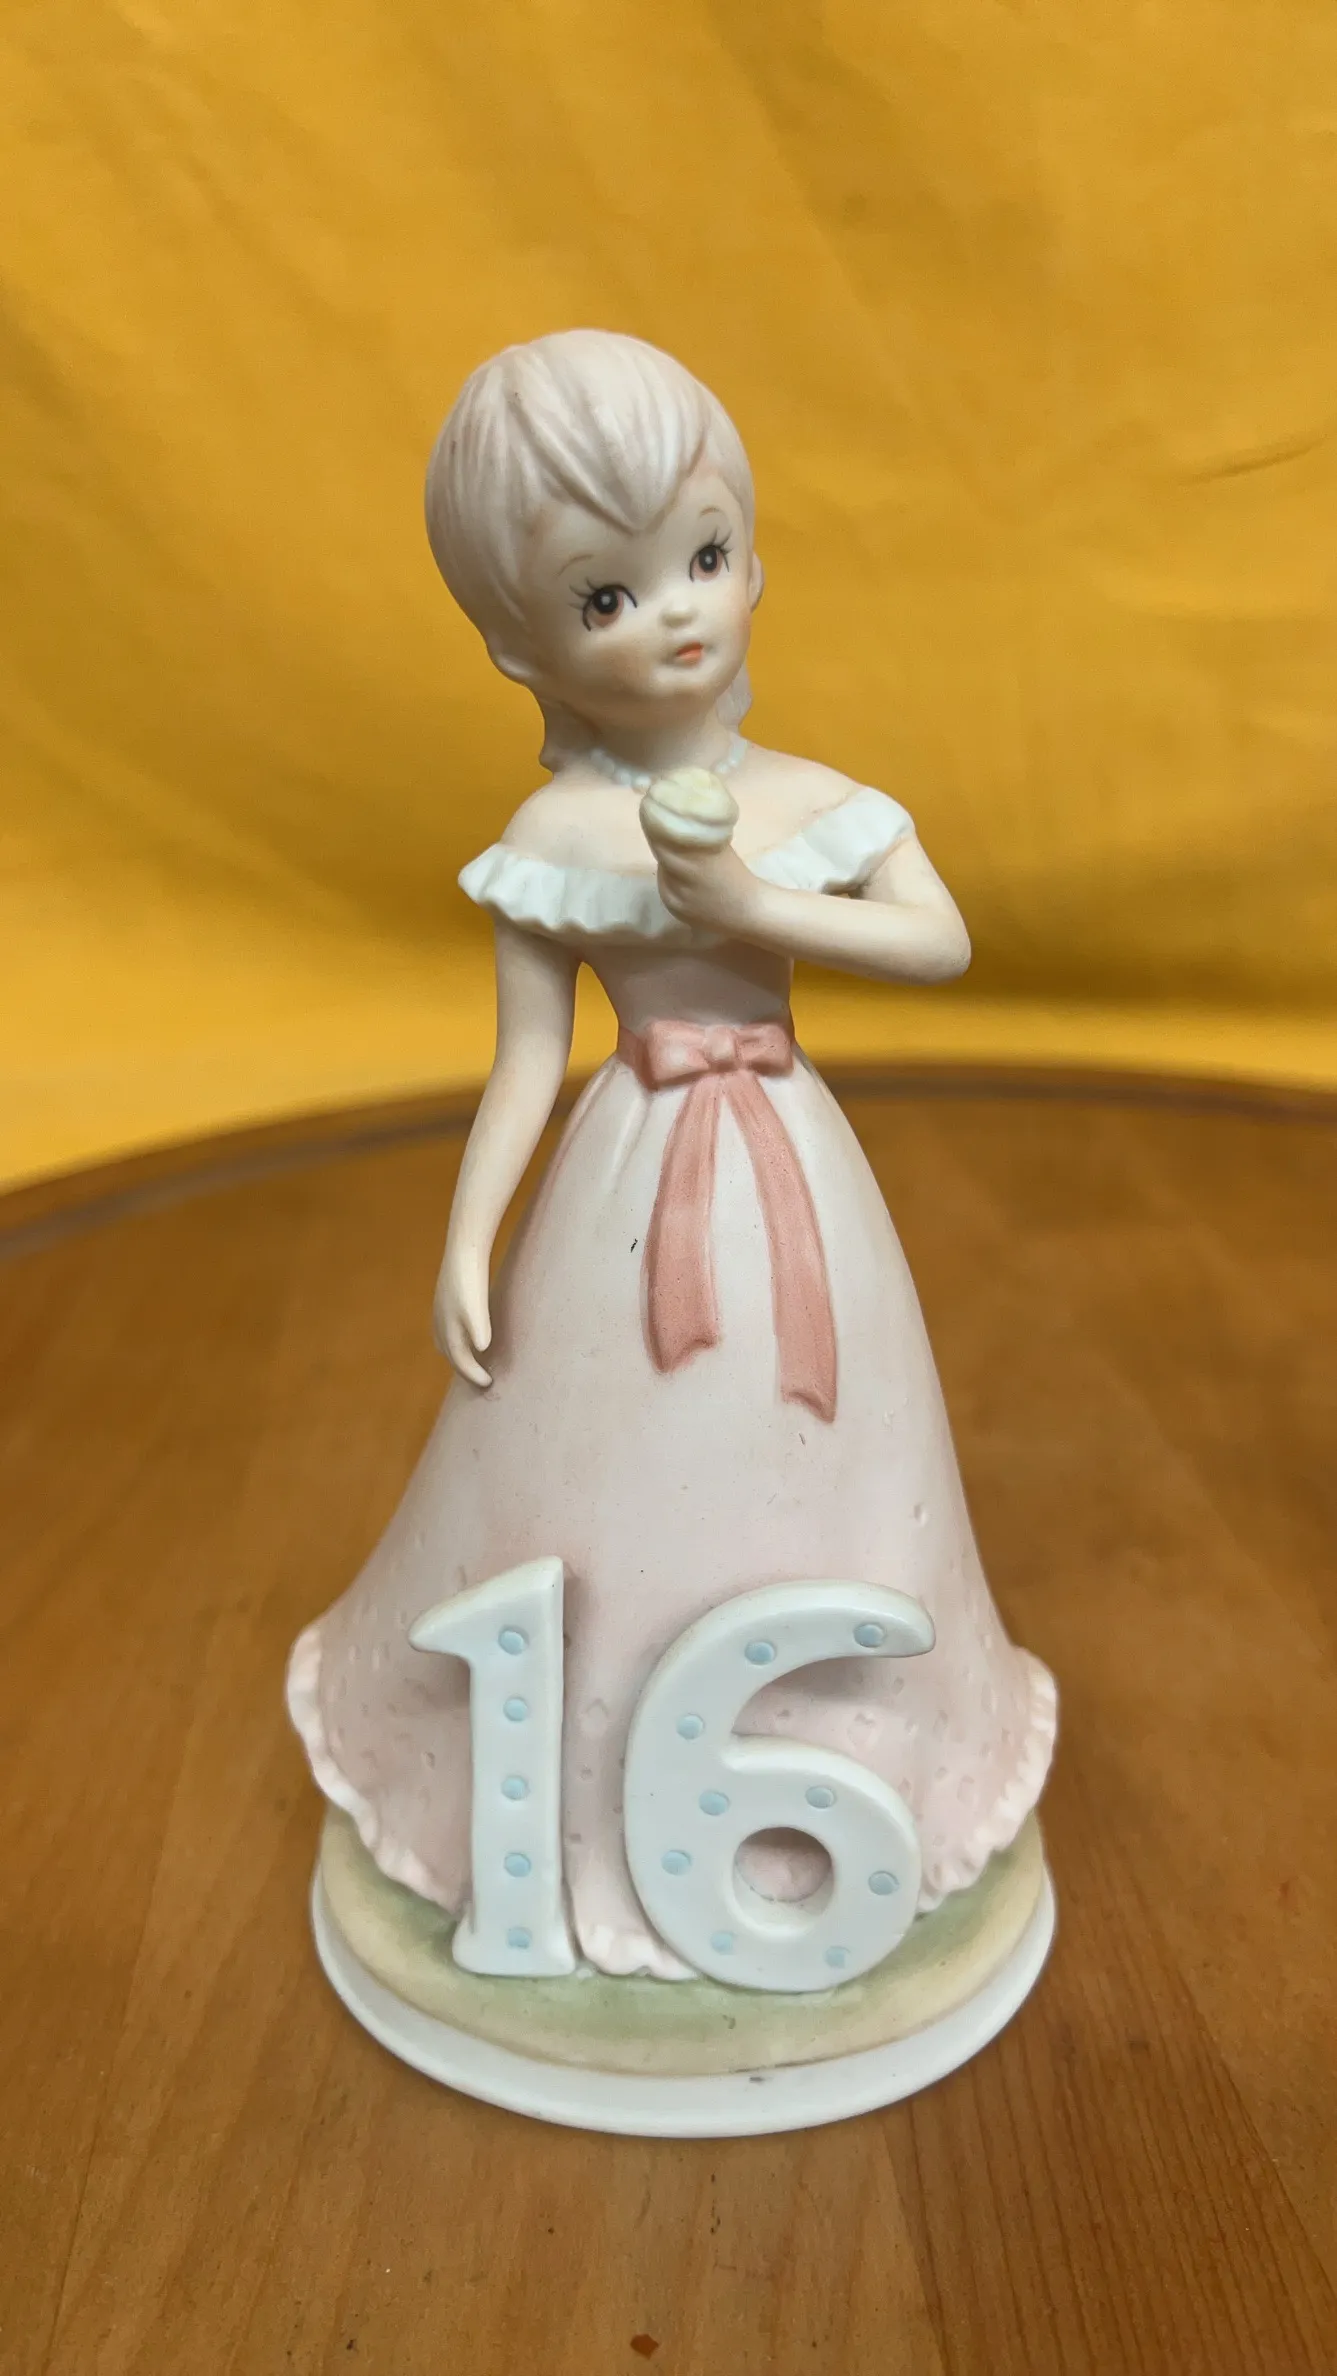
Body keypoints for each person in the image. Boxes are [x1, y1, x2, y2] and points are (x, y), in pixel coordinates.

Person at [288, 329, 1055, 1979]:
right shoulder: (552, 842)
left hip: (790, 1176)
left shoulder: (815, 802)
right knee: (595, 1473)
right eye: (605, 596)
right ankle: (580, 1810)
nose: (676, 614)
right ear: (523, 650)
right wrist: (468, 1234)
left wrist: (761, 906)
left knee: (821, 1457)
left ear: (755, 558)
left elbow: (939, 942)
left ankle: (840, 1770)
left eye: (703, 556)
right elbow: (523, 1064)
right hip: (624, 1185)